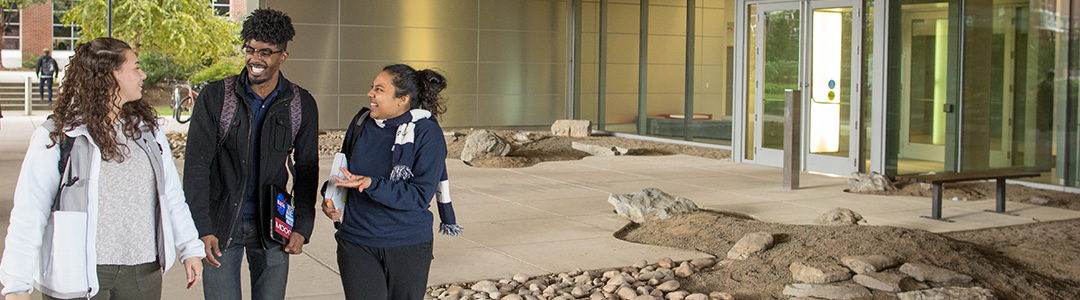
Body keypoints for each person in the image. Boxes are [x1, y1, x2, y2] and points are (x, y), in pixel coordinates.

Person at [0, 37, 204, 300]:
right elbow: (30, 212)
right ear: (110, 75)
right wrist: (16, 285)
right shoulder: (60, 136)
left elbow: (171, 195)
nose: (143, 74)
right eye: (135, 67)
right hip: (77, 274)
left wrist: (190, 247)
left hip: (142, 271)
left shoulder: (147, 131)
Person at [183, 8, 319, 300]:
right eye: (250, 49)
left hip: (273, 228)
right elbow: (196, 166)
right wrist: (201, 227)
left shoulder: (300, 103)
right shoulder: (216, 97)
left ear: (283, 56)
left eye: (265, 52)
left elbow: (307, 169)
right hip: (220, 226)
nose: (255, 59)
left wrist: (302, 226)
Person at [322, 64, 461, 300]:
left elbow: (418, 196)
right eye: (372, 87)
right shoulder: (361, 123)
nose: (370, 94)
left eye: (379, 89)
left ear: (402, 99)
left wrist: (371, 183)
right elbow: (341, 174)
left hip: (406, 245)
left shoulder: (426, 133)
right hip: (356, 241)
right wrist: (329, 199)